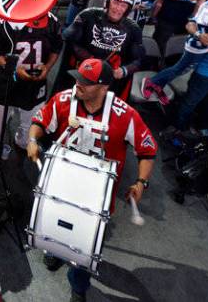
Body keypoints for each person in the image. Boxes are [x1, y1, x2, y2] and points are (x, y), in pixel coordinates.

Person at [28, 58, 156, 301]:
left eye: (86, 82)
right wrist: (33, 140)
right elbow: (40, 121)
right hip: (62, 180)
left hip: (97, 195)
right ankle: (54, 250)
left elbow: (147, 150)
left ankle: (78, 288)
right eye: (78, 78)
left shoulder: (125, 114)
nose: (78, 84)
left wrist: (141, 182)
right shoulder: (63, 99)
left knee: (84, 246)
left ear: (104, 87)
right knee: (53, 220)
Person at [0, 12, 62, 164]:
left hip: (36, 82)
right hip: (7, 80)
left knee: (32, 119)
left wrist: (47, 67)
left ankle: (23, 140)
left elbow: (56, 48)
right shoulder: (4, 21)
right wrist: (13, 69)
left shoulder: (52, 22)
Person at [61, 0, 143, 100]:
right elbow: (69, 40)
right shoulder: (88, 15)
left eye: (123, 5)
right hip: (84, 71)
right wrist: (90, 59)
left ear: (127, 9)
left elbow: (138, 60)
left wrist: (124, 70)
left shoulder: (133, 28)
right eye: (115, 2)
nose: (117, 8)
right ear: (108, 2)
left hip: (110, 78)